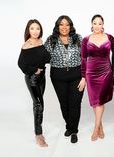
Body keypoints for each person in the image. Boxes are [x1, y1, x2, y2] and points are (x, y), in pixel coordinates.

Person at [44, 15, 85, 143]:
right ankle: (69, 125)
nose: (64, 27)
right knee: (64, 104)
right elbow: (43, 56)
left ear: (70, 26)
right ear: (57, 26)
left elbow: (86, 58)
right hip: (58, 76)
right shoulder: (51, 40)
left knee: (75, 104)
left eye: (67, 24)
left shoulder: (78, 38)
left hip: (76, 75)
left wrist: (85, 77)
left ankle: (73, 131)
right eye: (61, 24)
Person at [81, 14, 114, 141]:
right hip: (91, 73)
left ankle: (95, 128)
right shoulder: (85, 39)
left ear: (103, 25)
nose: (97, 26)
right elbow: (83, 58)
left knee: (100, 100)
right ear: (91, 25)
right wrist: (83, 76)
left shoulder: (110, 37)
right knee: (95, 101)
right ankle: (99, 125)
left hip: (106, 71)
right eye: (95, 23)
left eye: (99, 23)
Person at [18, 19, 51, 147]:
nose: (35, 31)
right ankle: (38, 135)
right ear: (28, 30)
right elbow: (21, 64)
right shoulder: (27, 45)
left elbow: (45, 58)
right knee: (39, 105)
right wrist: (34, 70)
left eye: (37, 28)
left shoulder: (41, 42)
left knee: (38, 104)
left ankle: (38, 130)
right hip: (32, 78)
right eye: (32, 28)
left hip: (42, 78)